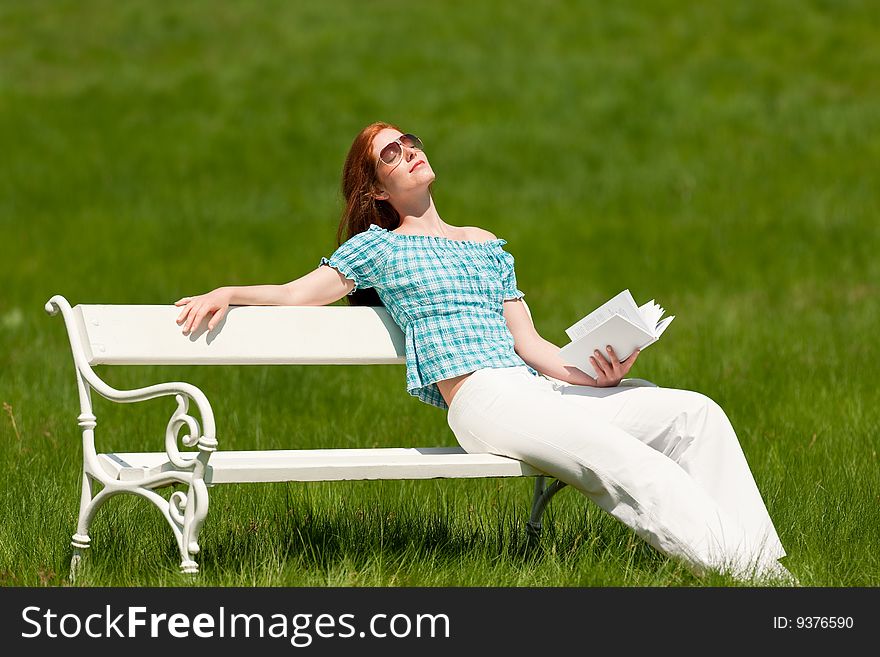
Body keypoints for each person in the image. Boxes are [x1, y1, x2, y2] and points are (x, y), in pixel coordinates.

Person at [174, 121, 795, 584]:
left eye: (408, 141)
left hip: (540, 390)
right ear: (378, 191)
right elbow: (295, 295)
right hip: (482, 397)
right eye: (390, 154)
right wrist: (228, 291)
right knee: (625, 460)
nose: (409, 151)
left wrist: (601, 373)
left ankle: (772, 572)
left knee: (695, 414)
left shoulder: (486, 244)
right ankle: (749, 580)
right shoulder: (377, 248)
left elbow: (531, 345)